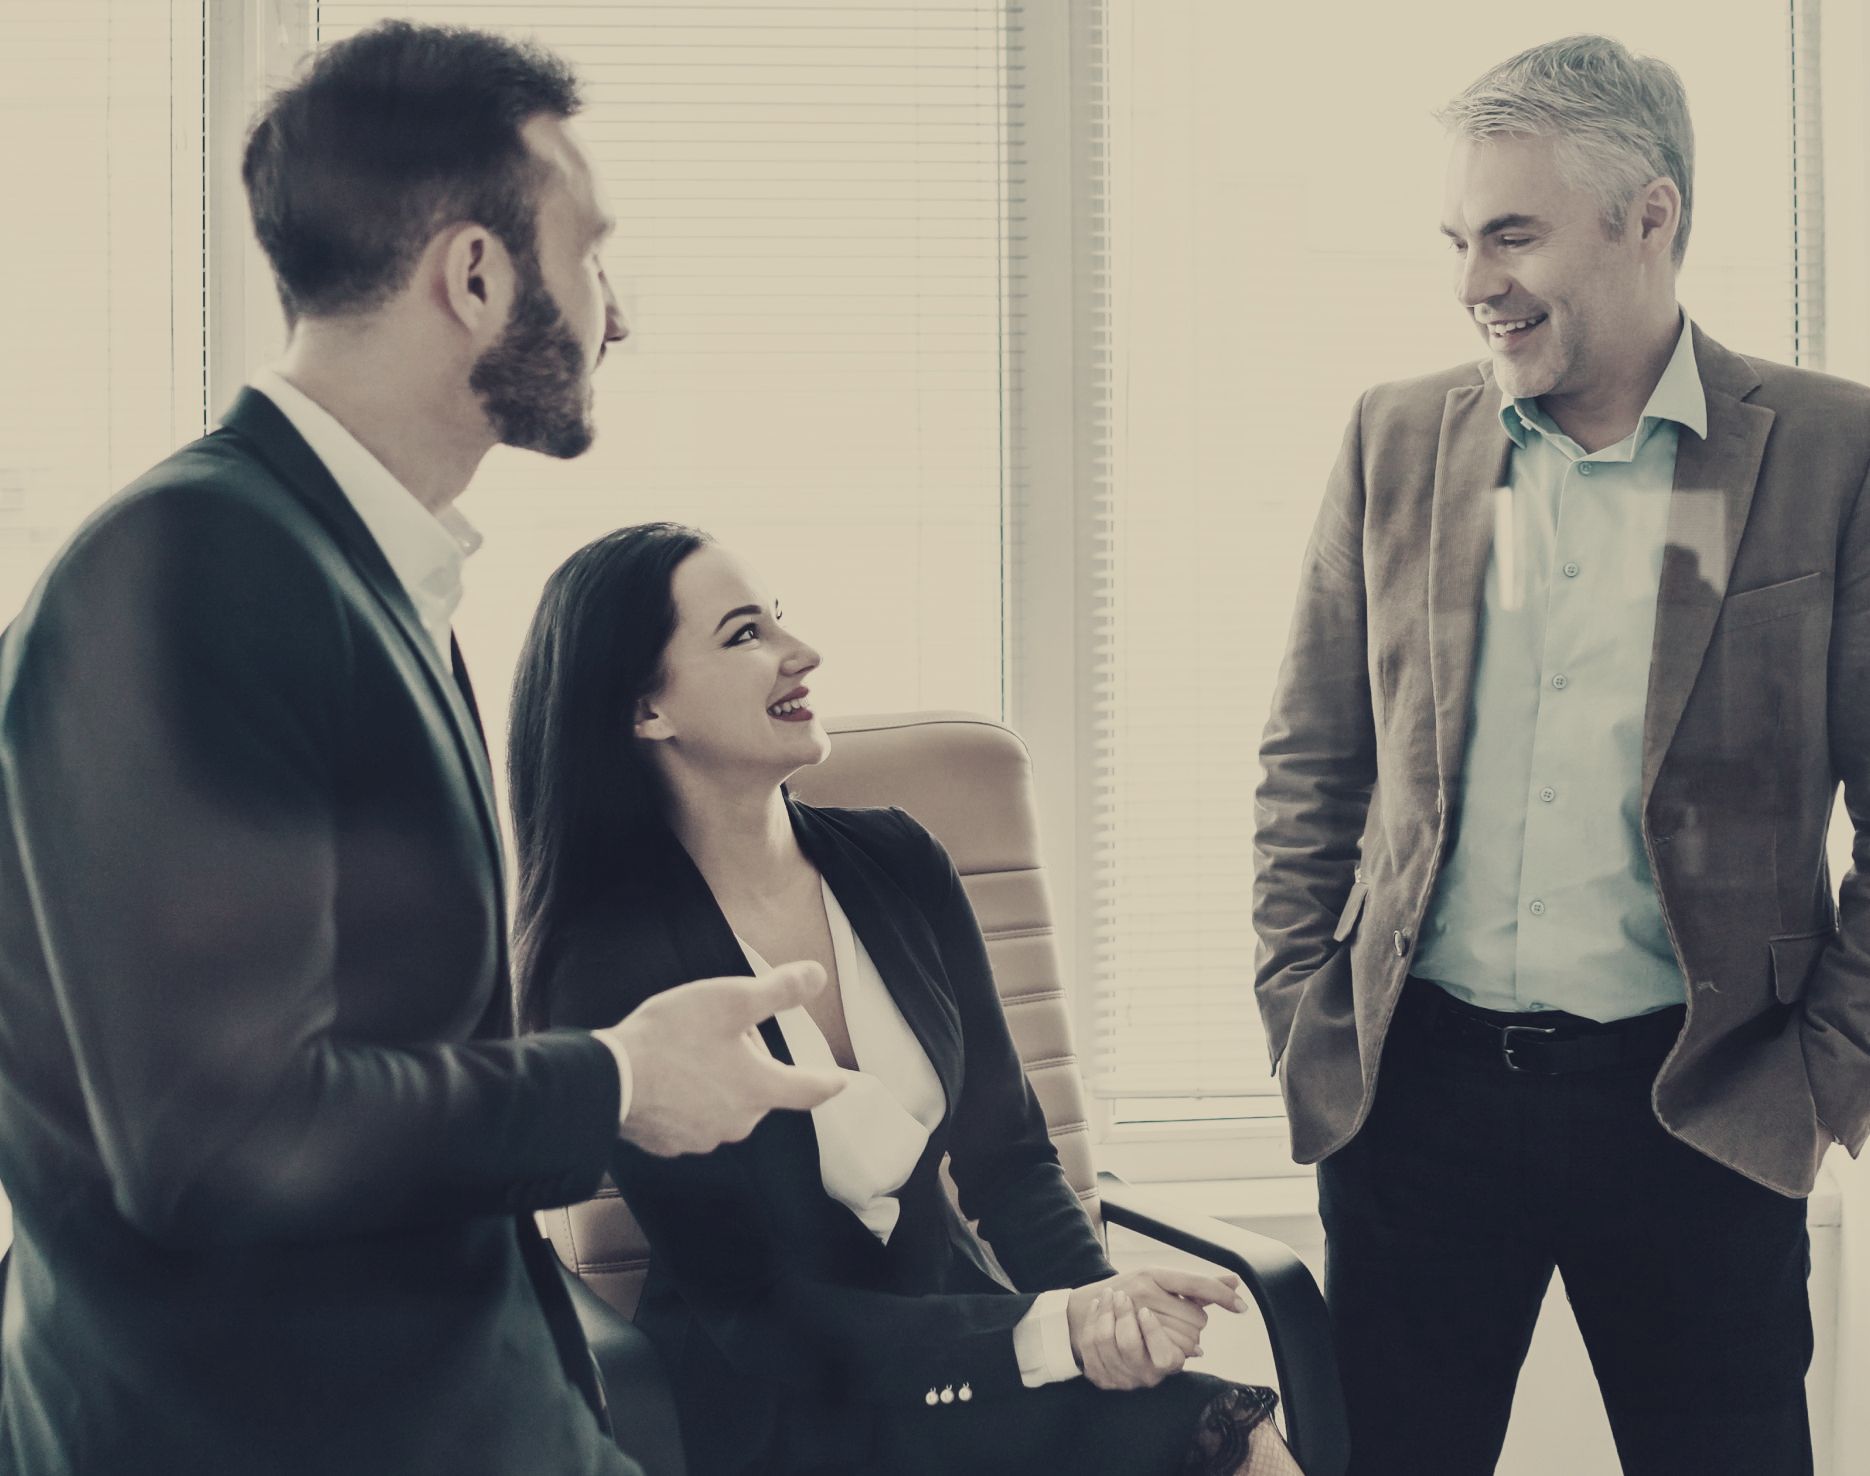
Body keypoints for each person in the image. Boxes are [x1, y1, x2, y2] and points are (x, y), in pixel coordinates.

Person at [0, 23, 847, 1476]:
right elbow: (221, 1134)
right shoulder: (189, 568)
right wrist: (618, 1084)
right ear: (475, 275)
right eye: (589, 259)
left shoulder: (361, 579)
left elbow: (390, 1059)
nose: (612, 315)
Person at [1253, 33, 1870, 1476]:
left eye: (1514, 234)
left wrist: (1818, 1080)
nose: (1476, 280)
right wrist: (1307, 1015)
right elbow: (1309, 760)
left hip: (1698, 1110)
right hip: (1418, 1110)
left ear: (1647, 216)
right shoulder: (1395, 439)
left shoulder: (1829, 454)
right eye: (1461, 239)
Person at [507, 522, 1306, 1476]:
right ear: (646, 709)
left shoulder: (897, 859)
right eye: (741, 635)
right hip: (780, 1409)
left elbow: (1009, 1159)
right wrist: (1051, 1331)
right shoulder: (604, 965)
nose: (800, 654)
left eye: (779, 620)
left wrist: (1107, 1312)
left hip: (970, 1348)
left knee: (1228, 1434)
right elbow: (756, 1311)